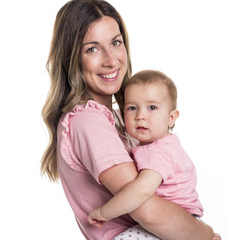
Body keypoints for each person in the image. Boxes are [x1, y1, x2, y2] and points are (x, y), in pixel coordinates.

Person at [41, 0, 220, 239]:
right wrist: (206, 234)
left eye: (116, 43)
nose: (111, 60)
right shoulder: (88, 121)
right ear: (72, 58)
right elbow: (147, 210)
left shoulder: (119, 119)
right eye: (92, 49)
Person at [88, 70, 208, 239]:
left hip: (175, 225)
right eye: (132, 108)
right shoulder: (163, 144)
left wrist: (104, 212)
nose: (140, 116)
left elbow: (142, 190)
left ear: (171, 117)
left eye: (152, 107)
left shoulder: (158, 152)